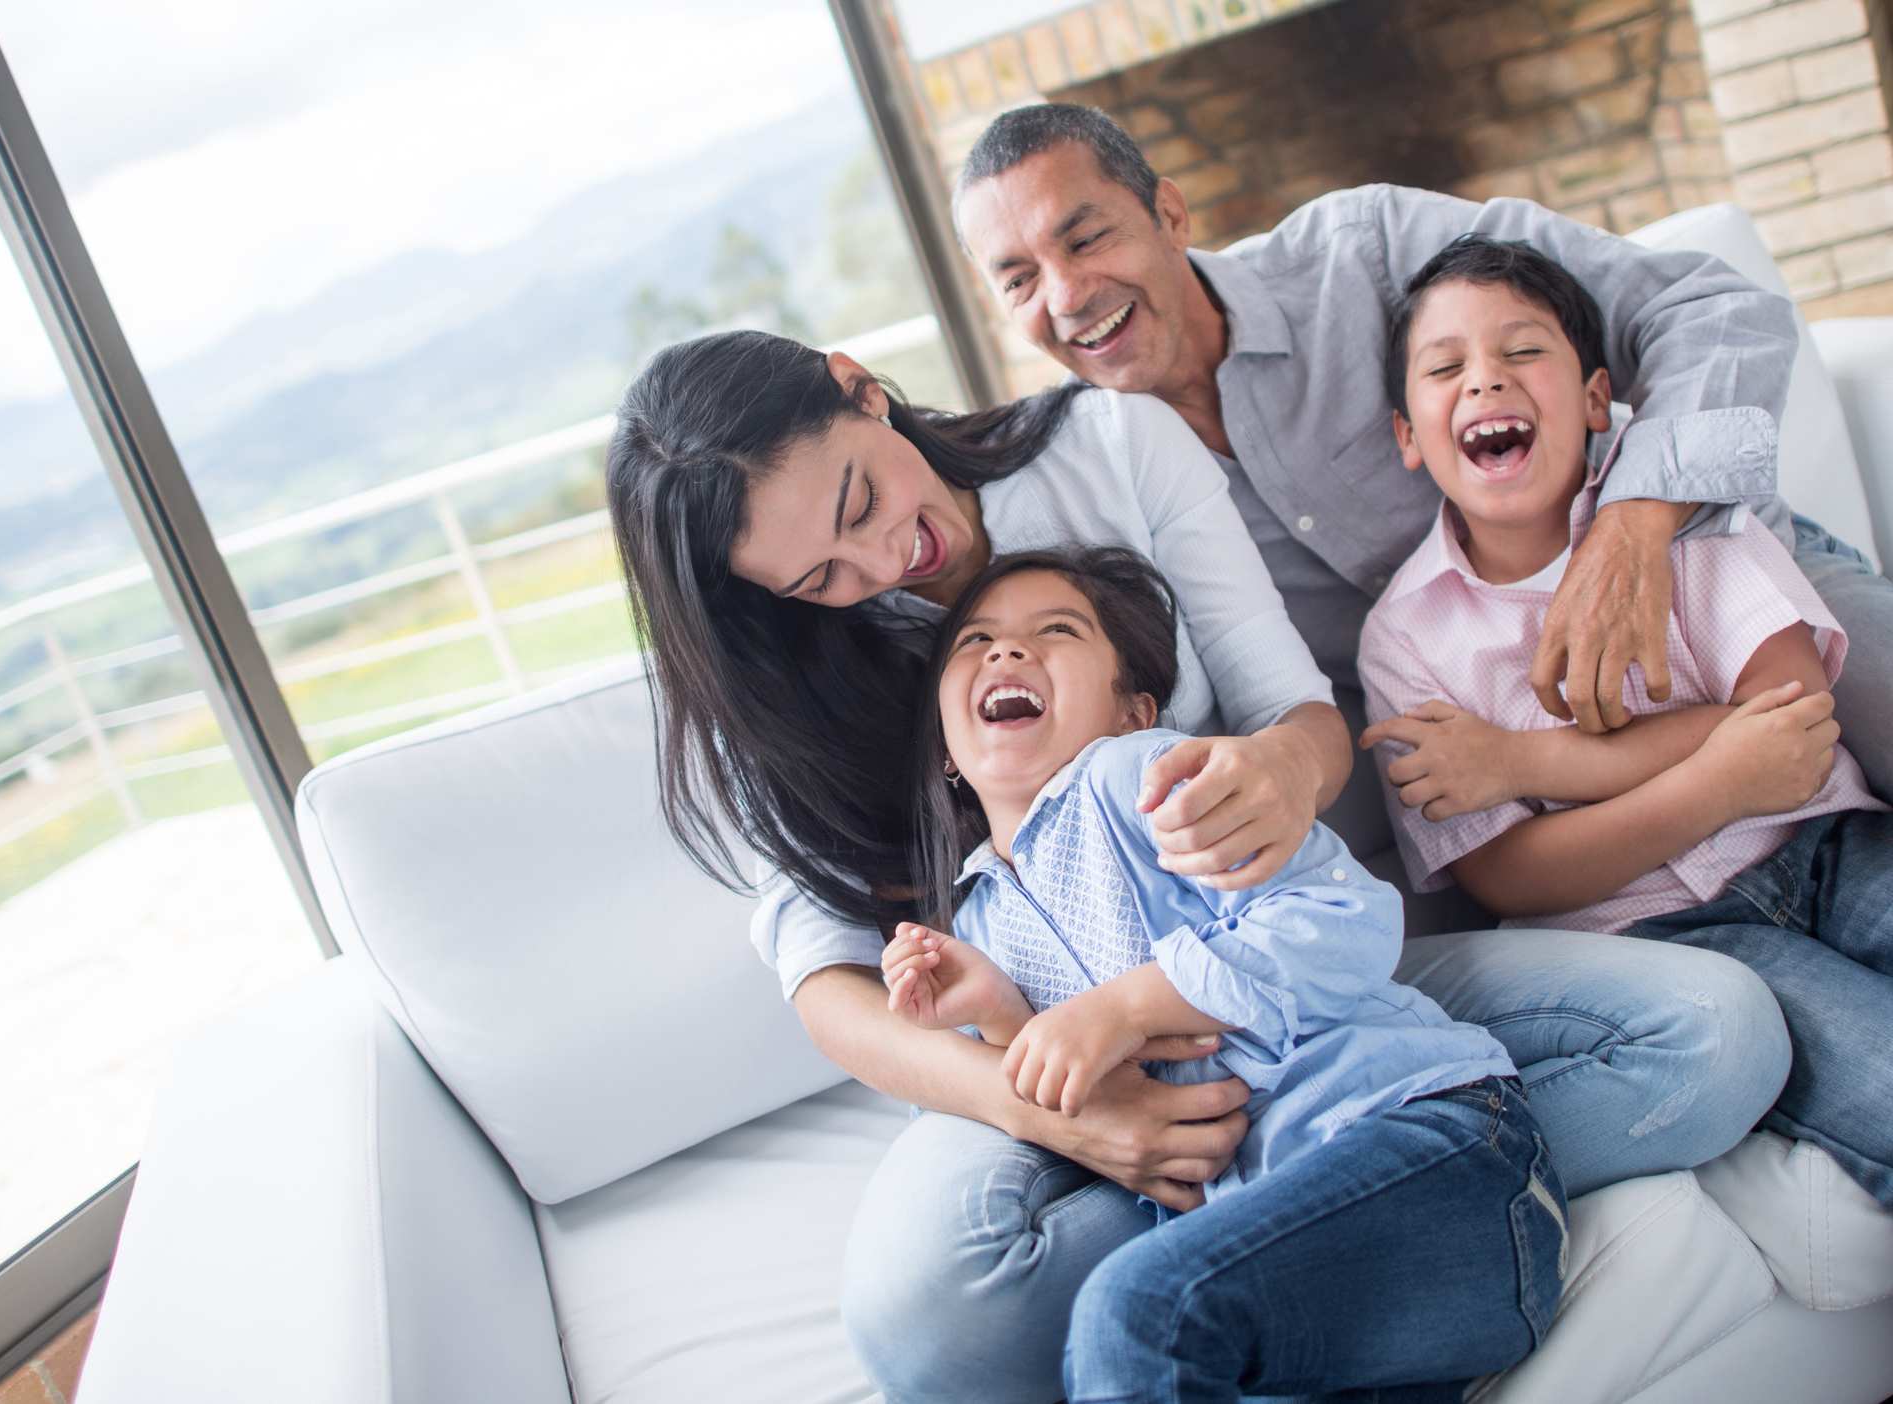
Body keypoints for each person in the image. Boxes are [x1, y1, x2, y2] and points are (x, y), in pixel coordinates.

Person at [606, 330, 1786, 1404]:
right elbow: (828, 984)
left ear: (860, 387)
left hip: (1311, 1014)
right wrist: (1059, 1102)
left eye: (862, 500)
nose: (882, 558)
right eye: (822, 577)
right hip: (1114, 1093)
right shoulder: (852, 755)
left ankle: (1386, 1201)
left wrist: (1277, 773)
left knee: (1717, 1037)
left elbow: (1305, 744)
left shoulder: (1114, 476)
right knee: (932, 1328)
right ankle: (1298, 1254)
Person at [950, 103, 1893, 821]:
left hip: (1702, 592)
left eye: (1087, 238)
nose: (1067, 295)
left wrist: (1633, 527)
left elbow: (1710, 307)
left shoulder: (1366, 249)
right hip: (1477, 758)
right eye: (1020, 278)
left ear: (1169, 213)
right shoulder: (1083, 487)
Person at [883, 544, 1557, 1402]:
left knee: (1135, 1315)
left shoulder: (1148, 778)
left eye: (1055, 630)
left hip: (1431, 1151)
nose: (1006, 653)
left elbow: (1348, 918)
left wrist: (1128, 1006)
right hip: (1285, 1256)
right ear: (945, 747)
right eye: (974, 643)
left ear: (1135, 712)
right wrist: (999, 1013)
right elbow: (1087, 1105)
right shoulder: (976, 919)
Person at [1359, 234, 1893, 1207]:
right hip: (1668, 940)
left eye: (1523, 353)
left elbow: (1793, 721)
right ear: (1408, 434)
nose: (1485, 383)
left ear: (1599, 399)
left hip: (1825, 846)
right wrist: (1724, 767)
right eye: (1447, 368)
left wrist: (1522, 761)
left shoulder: (1681, 519)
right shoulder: (1404, 638)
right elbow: (1511, 875)